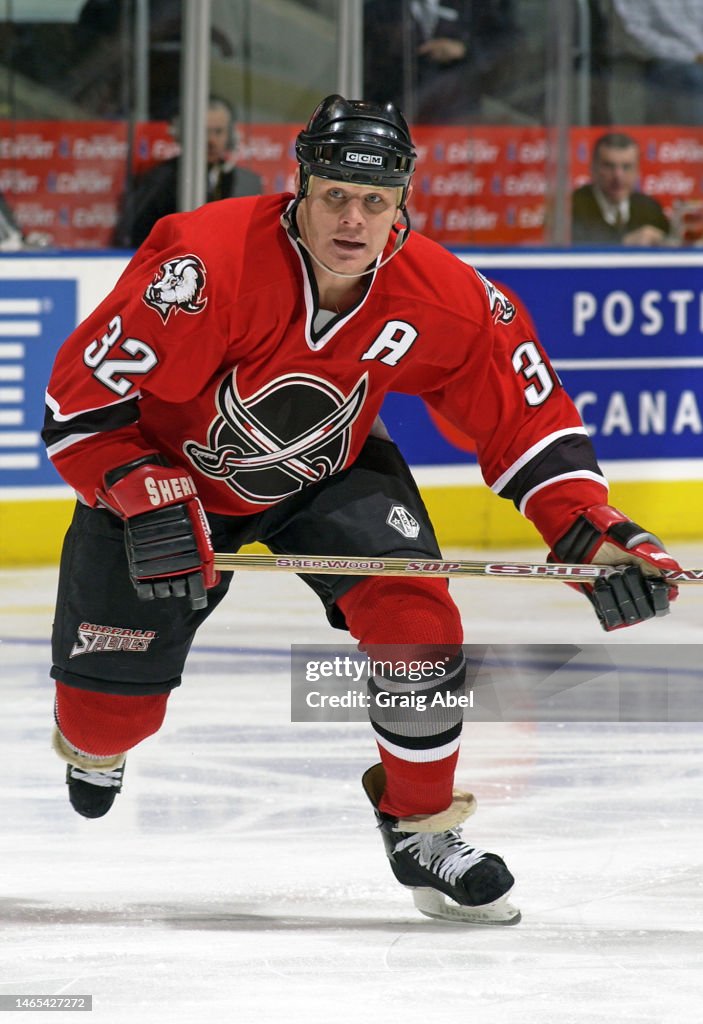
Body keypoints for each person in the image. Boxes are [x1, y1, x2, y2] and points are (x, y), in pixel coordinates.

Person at [42, 94, 681, 925]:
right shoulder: (201, 267)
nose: (353, 218)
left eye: (375, 201)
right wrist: (137, 486)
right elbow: (78, 410)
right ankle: (98, 745)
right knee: (105, 715)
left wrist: (591, 533)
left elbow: (527, 418)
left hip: (327, 471)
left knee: (416, 620)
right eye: (335, 194)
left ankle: (420, 828)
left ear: (401, 207)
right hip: (166, 477)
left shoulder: (445, 296)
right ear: (299, 188)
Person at [114, 96, 263, 248]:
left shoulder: (246, 183)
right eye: (203, 132)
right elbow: (136, 235)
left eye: (218, 132)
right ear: (183, 134)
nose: (211, 141)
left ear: (231, 135)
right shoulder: (160, 180)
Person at [363, 0, 516, 123]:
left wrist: (465, 50)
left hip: (456, 119)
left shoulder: (472, 6)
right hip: (397, 113)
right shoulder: (378, 10)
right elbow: (367, 69)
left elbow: (507, 45)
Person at [609, 0, 703, 125]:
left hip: (694, 58)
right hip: (656, 61)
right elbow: (634, 34)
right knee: (695, 77)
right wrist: (691, 56)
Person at [572, 132, 670, 245]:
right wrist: (623, 243)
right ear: (593, 168)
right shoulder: (572, 208)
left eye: (626, 167)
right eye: (609, 166)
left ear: (637, 171)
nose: (618, 176)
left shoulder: (650, 209)